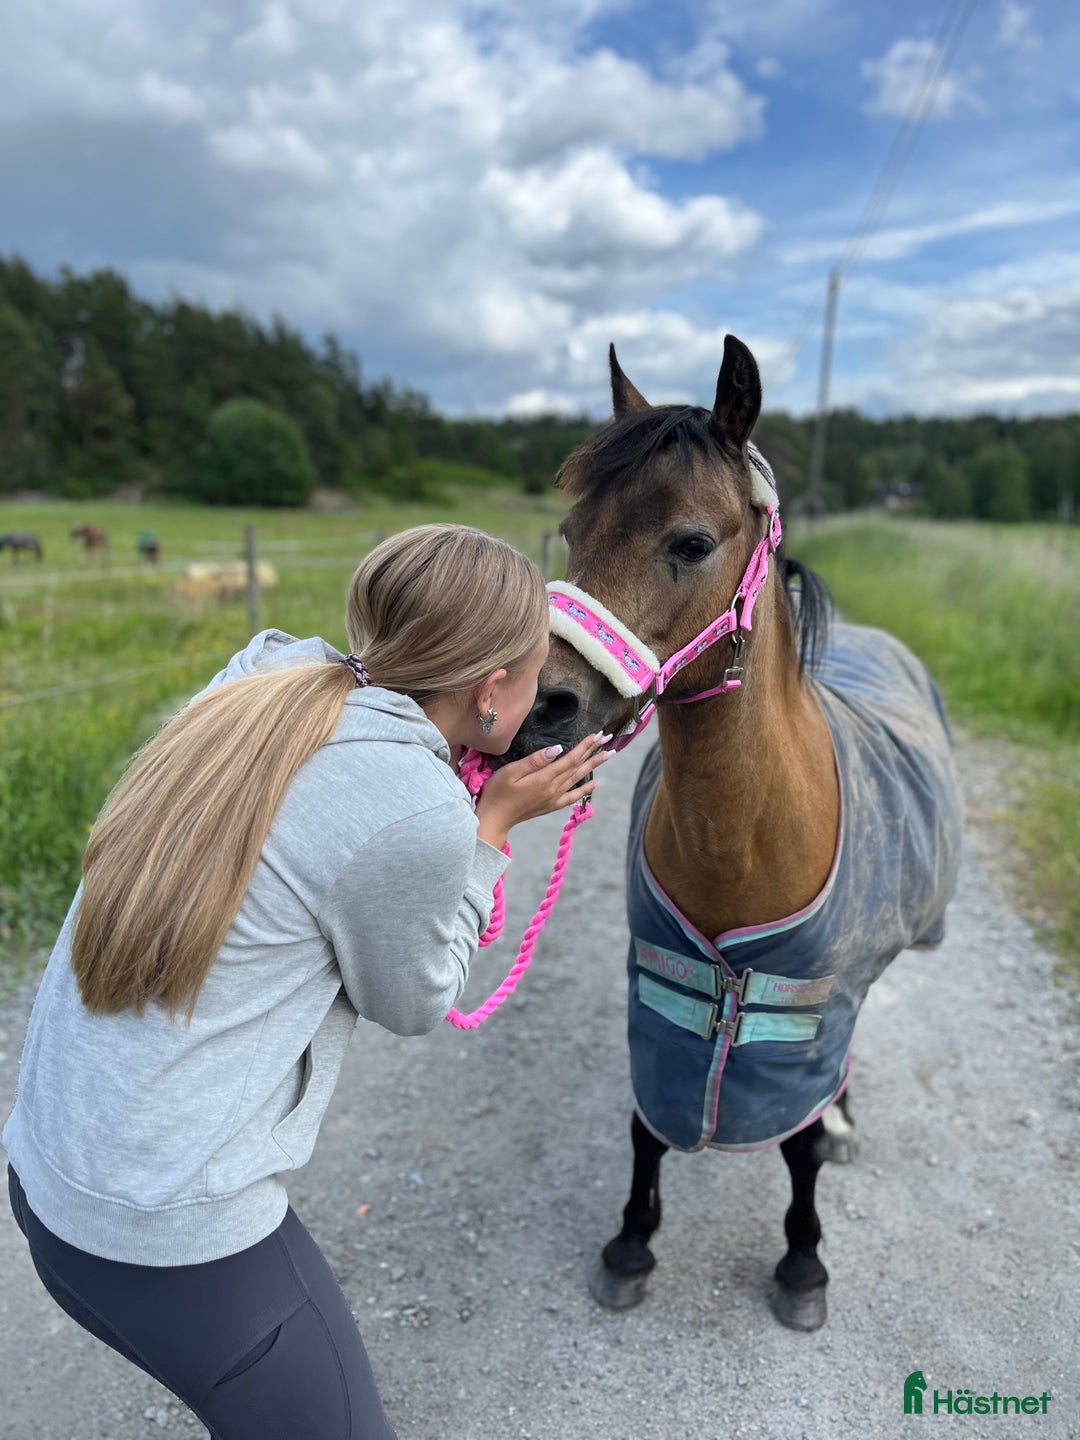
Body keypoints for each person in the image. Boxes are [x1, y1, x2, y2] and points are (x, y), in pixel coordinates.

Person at [4, 523, 610, 1440]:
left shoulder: (262, 679)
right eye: (533, 672)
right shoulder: (416, 810)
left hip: (51, 1176)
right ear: (493, 692)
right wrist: (488, 831)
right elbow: (417, 1000)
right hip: (164, 1240)